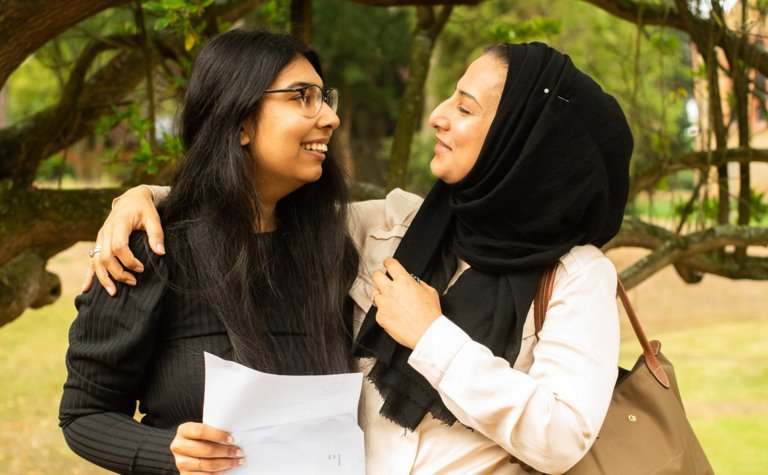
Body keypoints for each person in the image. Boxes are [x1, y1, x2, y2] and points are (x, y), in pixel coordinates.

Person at [87, 42, 633, 474]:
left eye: (465, 107)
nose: (438, 116)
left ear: (522, 143)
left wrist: (433, 337)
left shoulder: (574, 275)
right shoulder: (395, 228)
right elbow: (252, 199)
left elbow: (562, 438)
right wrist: (144, 199)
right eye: (449, 97)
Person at [59, 29, 359, 474]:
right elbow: (84, 414)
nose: (330, 117)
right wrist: (169, 453)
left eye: (324, 96)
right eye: (302, 96)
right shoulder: (151, 252)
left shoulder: (334, 250)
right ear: (238, 123)